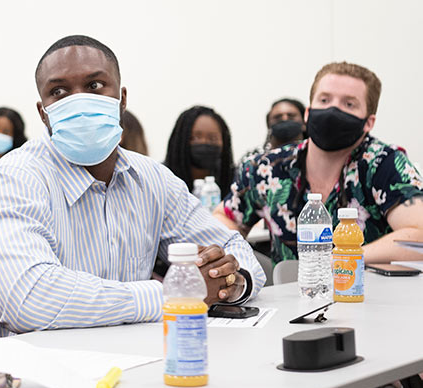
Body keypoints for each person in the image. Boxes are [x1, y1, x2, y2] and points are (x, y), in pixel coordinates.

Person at [0, 35, 265, 343]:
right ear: (43, 112)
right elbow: (29, 301)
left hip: (129, 367)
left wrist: (232, 283)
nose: (78, 101)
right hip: (18, 381)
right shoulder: (10, 180)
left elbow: (234, 250)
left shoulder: (153, 179)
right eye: (59, 91)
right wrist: (173, 295)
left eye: (94, 86)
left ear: (122, 99)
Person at [214, 62, 423, 264]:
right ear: (308, 112)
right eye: (324, 100)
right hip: (289, 296)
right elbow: (225, 218)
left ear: (369, 122)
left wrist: (345, 258)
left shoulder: (384, 164)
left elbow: (418, 235)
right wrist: (237, 259)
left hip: (366, 295)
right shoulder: (267, 168)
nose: (333, 110)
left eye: (349, 104)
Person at [163, 106, 234, 198]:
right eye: (196, 138)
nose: (204, 142)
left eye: (213, 138)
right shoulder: (163, 178)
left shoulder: (234, 180)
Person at [238, 98, 306, 163]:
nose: (284, 119)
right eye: (278, 117)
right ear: (268, 125)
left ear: (304, 122)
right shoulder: (251, 158)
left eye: (291, 116)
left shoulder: (312, 153)